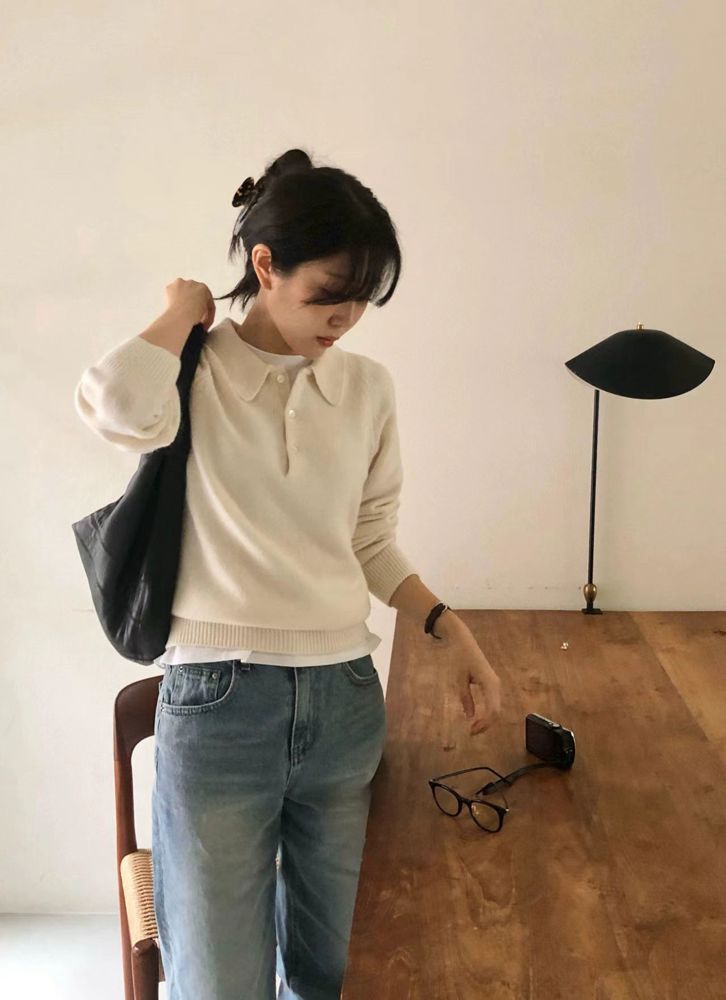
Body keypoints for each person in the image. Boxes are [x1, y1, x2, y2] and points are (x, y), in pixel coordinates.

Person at [74, 147, 441, 999]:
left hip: (345, 700)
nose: (346, 317)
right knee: (219, 982)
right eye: (329, 293)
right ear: (266, 266)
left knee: (340, 971)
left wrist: (444, 625)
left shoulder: (367, 388)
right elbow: (111, 403)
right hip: (219, 707)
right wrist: (181, 311)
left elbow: (372, 539)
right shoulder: (191, 373)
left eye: (363, 298)